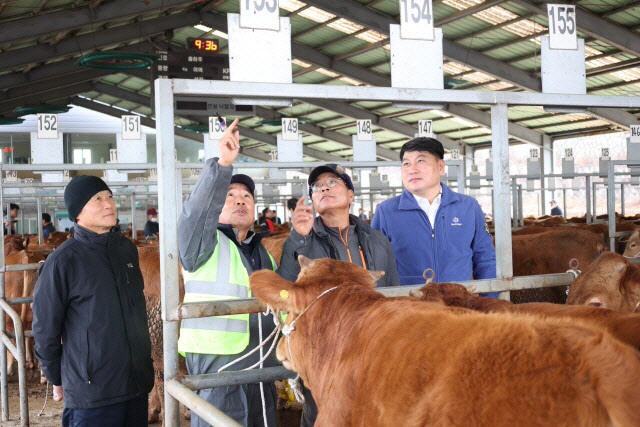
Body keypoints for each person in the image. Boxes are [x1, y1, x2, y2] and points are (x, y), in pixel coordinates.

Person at [278, 163, 401, 427]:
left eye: (333, 182)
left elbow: (393, 293)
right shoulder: (303, 242)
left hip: (373, 349)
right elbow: (285, 290)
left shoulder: (378, 241)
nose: (323, 187)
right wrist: (296, 238)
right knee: (322, 417)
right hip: (324, 354)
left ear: (350, 194)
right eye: (316, 186)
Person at [178, 118, 279, 427]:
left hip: (262, 361)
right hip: (218, 363)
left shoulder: (262, 251)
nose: (239, 200)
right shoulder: (201, 244)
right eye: (230, 196)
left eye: (246, 196)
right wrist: (222, 166)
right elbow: (197, 212)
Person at [32, 175, 153, 426]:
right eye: (97, 199)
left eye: (109, 197)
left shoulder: (127, 250)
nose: (108, 204)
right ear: (77, 213)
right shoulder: (63, 261)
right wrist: (57, 378)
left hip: (136, 386)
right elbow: (45, 328)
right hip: (93, 394)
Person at [372, 137, 496, 291]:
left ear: (440, 166)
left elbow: (484, 258)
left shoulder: (468, 207)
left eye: (420, 161)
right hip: (408, 305)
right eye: (406, 164)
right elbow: (376, 265)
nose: (412, 169)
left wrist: (490, 301)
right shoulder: (386, 211)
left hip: (458, 303)